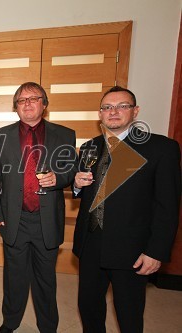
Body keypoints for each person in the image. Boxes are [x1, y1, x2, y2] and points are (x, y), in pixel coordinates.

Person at [72, 86, 181, 333]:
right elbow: (88, 193)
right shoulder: (90, 147)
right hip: (91, 245)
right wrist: (77, 185)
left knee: (129, 315)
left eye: (122, 106)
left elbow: (168, 207)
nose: (114, 112)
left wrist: (156, 252)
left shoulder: (161, 148)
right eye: (107, 107)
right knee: (88, 307)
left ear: (135, 111)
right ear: (100, 113)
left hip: (132, 251)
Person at [0, 82, 77, 333]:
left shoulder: (65, 134)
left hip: (46, 219)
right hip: (14, 219)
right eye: (21, 100)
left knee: (46, 280)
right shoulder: (0, 137)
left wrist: (58, 178)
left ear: (45, 104)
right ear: (16, 107)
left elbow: (71, 170)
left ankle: (48, 327)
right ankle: (10, 323)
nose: (27, 103)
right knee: (13, 279)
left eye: (34, 98)